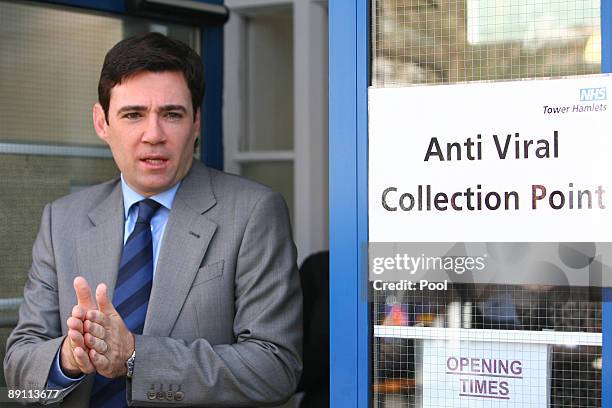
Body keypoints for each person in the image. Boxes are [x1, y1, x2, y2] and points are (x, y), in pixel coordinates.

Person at [3, 32, 302, 407]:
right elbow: (18, 366)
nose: (153, 135)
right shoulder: (62, 219)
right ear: (101, 122)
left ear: (195, 122)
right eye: (133, 115)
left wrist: (134, 357)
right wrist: (68, 359)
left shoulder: (253, 213)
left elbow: (274, 370)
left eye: (172, 114)